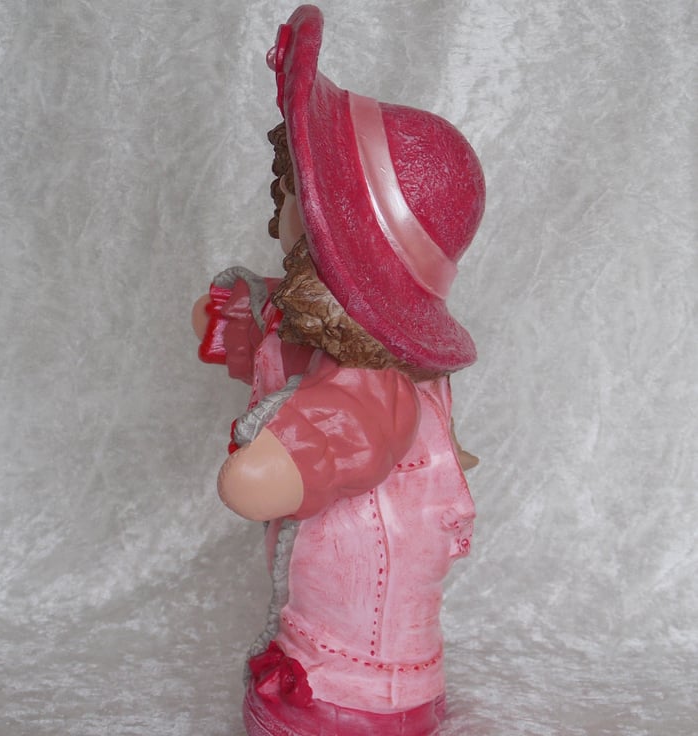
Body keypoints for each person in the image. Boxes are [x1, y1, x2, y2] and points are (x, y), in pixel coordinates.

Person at [194, 6, 485, 733]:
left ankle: (344, 706)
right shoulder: (329, 333)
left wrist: (267, 462)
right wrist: (235, 317)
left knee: (348, 635)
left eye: (295, 190)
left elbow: (298, 456)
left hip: (359, 650)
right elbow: (279, 334)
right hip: (323, 606)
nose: (280, 201)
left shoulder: (372, 382)